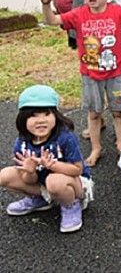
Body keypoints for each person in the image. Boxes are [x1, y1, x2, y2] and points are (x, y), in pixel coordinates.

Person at [33, 0, 121, 165]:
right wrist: (46, 4)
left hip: (115, 74)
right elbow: (52, 20)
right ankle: (96, 148)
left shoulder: (117, 11)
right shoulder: (79, 14)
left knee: (118, 111)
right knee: (94, 113)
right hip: (90, 75)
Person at [0, 86, 93, 233]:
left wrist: (53, 165)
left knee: (54, 181)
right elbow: (28, 179)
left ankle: (71, 204)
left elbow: (77, 169)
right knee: (5, 176)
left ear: (56, 116)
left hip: (74, 182)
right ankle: (41, 199)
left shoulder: (65, 137)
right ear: (23, 118)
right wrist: (30, 172)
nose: (41, 120)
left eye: (46, 114)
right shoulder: (22, 142)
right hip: (43, 182)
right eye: (34, 116)